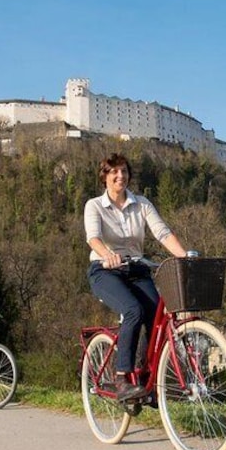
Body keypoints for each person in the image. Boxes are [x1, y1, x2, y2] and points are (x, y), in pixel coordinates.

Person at [84, 153, 188, 401]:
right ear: (105, 177)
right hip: (105, 270)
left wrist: (185, 257)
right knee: (133, 310)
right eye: (114, 172)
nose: (121, 176)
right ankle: (121, 378)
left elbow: (162, 233)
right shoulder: (95, 205)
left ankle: (145, 379)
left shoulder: (141, 204)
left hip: (137, 269)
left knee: (157, 318)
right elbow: (93, 238)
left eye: (124, 172)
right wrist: (108, 255)